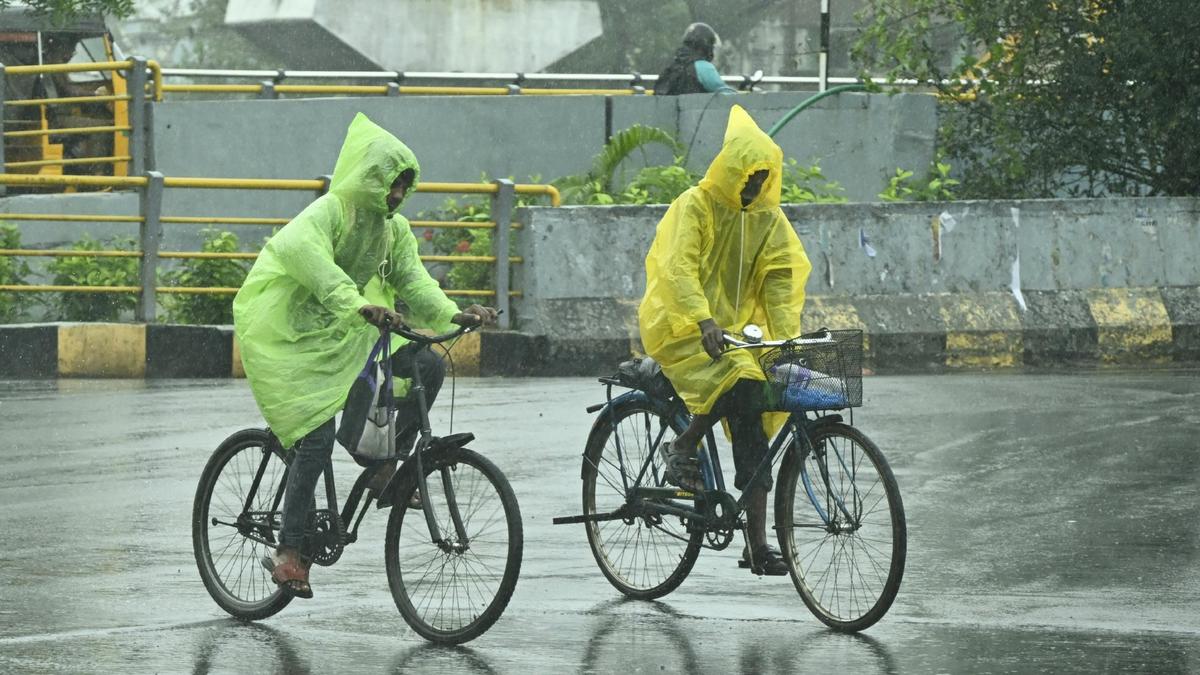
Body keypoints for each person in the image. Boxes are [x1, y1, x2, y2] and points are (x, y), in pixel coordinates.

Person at [233, 113, 497, 598]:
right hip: (294, 338)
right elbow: (309, 261)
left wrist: (453, 313)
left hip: (349, 332)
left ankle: (381, 465)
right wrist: (359, 304)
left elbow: (412, 279)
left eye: (402, 188)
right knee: (314, 439)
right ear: (366, 177)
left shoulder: (391, 230)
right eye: (388, 185)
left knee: (429, 364)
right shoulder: (327, 213)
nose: (395, 196)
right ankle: (289, 551)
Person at [638, 105, 812, 575]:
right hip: (682, 328)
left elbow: (780, 276)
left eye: (762, 178)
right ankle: (683, 444)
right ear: (730, 169)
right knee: (737, 375)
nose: (753, 187)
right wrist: (702, 318)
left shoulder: (767, 219)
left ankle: (756, 546)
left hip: (735, 336)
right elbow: (679, 269)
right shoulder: (694, 206)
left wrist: (786, 339)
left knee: (753, 417)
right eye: (748, 177)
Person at [654, 22, 736, 96]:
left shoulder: (671, 65)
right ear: (707, 46)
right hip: (695, 112)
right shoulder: (704, 67)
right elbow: (728, 96)